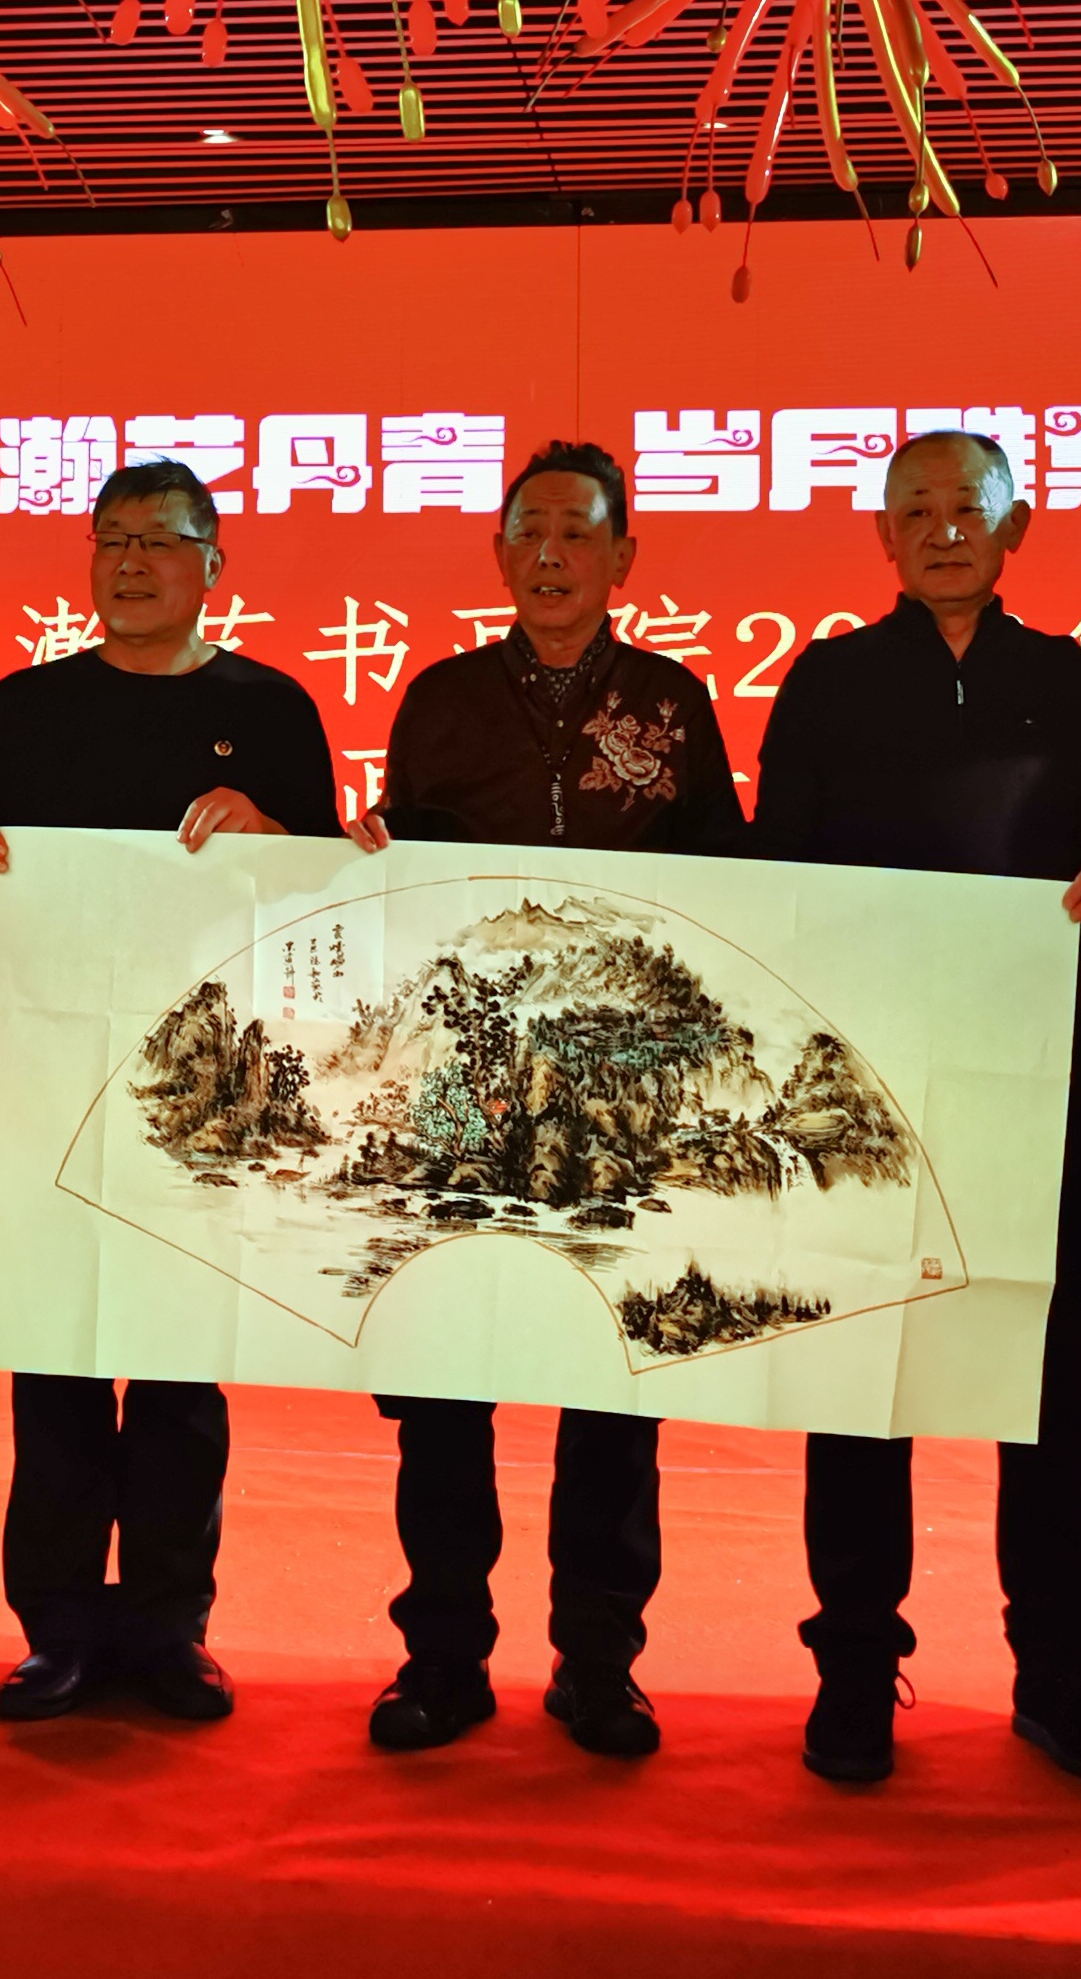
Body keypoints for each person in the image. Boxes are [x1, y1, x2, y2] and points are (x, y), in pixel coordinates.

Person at [748, 427, 1081, 1789]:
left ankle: (1059, 1673)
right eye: (913, 509)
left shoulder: (1070, 678)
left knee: (1046, 1383)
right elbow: (775, 867)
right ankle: (856, 1668)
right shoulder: (829, 680)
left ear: (1014, 525)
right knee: (864, 1373)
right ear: (882, 535)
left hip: (1033, 1072)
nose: (941, 529)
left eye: (966, 508)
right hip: (862, 1084)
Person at [0, 457, 361, 1723]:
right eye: (110, 539)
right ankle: (57, 1628)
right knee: (56, 1356)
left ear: (212, 564)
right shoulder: (26, 707)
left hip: (216, 1089)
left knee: (178, 1366)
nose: (129, 562)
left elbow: (326, 899)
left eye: (158, 541)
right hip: (55, 1075)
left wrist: (282, 843)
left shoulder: (270, 708)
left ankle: (171, 1625)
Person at [357, 440, 740, 1760]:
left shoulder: (673, 700)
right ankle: (441, 1660)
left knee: (610, 1389)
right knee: (443, 1393)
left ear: (623, 556)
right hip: (465, 1094)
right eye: (528, 530)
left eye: (578, 531)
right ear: (499, 552)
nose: (551, 553)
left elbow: (726, 882)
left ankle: (599, 1667)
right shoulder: (444, 697)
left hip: (620, 1100)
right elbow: (404, 887)